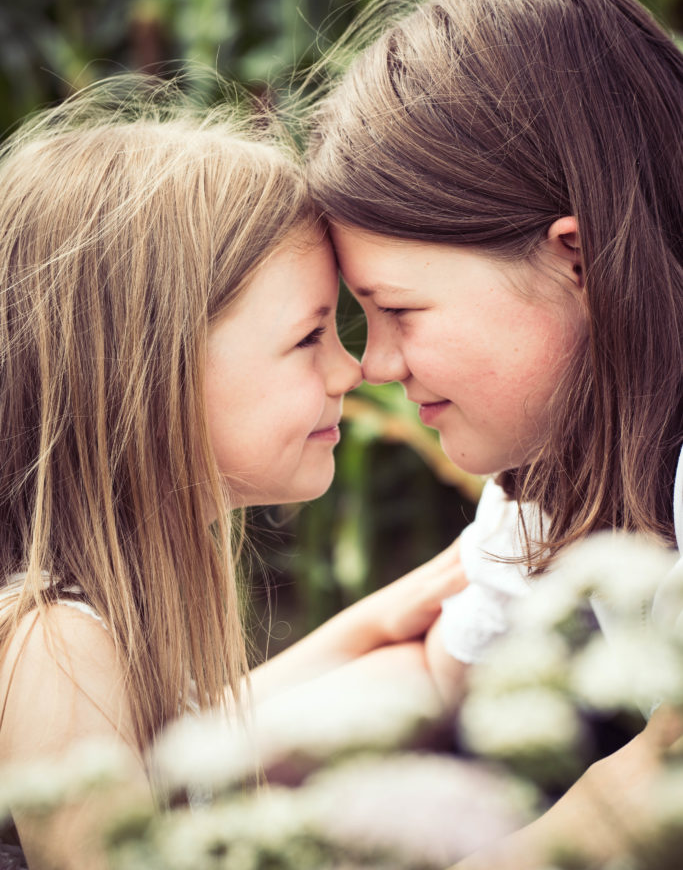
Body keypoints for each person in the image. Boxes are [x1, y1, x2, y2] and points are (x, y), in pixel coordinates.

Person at [0, 80, 466, 870]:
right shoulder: (54, 646)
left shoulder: (106, 627)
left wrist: (419, 601)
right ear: (150, 378)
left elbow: (213, 736)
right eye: (309, 337)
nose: (350, 370)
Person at [305, 0, 683, 866]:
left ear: (575, 262)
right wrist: (148, 771)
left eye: (398, 311)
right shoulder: (551, 470)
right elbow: (436, 677)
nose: (374, 365)